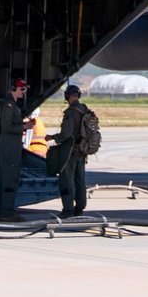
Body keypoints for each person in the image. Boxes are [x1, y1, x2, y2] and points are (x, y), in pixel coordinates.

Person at [52, 83, 92, 217]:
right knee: (79, 179)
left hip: (70, 150)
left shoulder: (71, 112)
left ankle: (68, 209)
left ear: (68, 96)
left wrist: (53, 137)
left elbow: (66, 134)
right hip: (82, 150)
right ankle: (80, 207)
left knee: (67, 179)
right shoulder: (85, 109)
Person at [0, 75, 29, 220]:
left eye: (25, 89)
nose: (23, 91)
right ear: (14, 89)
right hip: (9, 146)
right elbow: (7, 126)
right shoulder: (9, 105)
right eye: (21, 88)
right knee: (10, 178)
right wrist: (24, 126)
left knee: (4, 179)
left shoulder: (12, 104)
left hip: (10, 144)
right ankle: (7, 212)